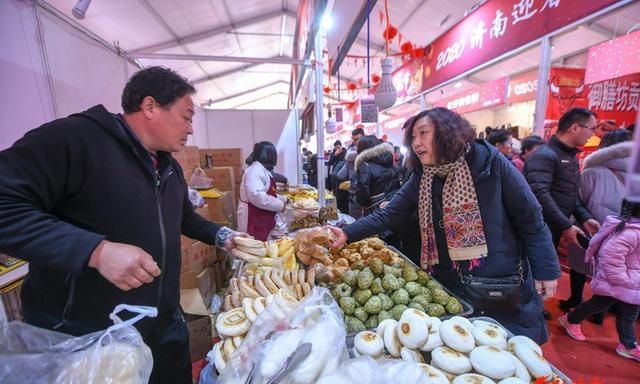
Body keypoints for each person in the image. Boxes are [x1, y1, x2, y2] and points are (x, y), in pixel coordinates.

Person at [0, 66, 245, 383]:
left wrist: (222, 235)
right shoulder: (76, 141)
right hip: (90, 338)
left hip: (162, 326)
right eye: (186, 117)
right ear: (150, 106)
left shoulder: (167, 167)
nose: (191, 129)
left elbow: (182, 217)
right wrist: (96, 251)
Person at [329, 108, 560, 343]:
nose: (416, 143)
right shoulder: (425, 175)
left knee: (504, 348)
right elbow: (390, 214)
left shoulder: (491, 165)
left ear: (448, 132)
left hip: (495, 280)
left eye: (423, 134)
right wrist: (347, 232)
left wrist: (547, 270)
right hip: (450, 281)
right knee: (459, 347)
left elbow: (531, 218)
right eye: (413, 137)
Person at [560, 129, 634, 317]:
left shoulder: (592, 172)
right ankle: (600, 311)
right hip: (626, 233)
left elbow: (577, 200)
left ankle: (575, 300)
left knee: (580, 266)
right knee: (612, 271)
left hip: (592, 227)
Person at [559, 200, 640, 362]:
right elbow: (610, 256)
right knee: (599, 304)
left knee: (628, 312)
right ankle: (571, 319)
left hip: (630, 282)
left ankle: (628, 344)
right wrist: (624, 279)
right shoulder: (630, 232)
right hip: (622, 281)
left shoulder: (633, 230)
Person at [524, 108, 601, 249]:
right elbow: (539, 194)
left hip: (553, 228)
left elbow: (569, 192)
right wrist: (565, 225)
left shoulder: (569, 156)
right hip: (538, 229)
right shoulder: (545, 155)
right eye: (592, 128)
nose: (593, 134)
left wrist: (584, 217)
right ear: (575, 127)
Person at [237, 141, 287, 240]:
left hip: (260, 215)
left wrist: (284, 199)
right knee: (253, 246)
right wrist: (280, 205)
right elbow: (257, 196)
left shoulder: (262, 169)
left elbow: (268, 192)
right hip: (252, 217)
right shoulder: (255, 171)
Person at [353, 135, 400, 216]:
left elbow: (362, 195)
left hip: (374, 212)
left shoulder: (365, 166)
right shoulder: (389, 161)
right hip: (392, 207)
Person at [336, 127, 365, 218]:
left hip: (362, 191)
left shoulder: (351, 155)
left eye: (357, 139)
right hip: (355, 191)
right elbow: (340, 175)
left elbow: (340, 175)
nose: (356, 142)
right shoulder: (351, 152)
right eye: (354, 139)